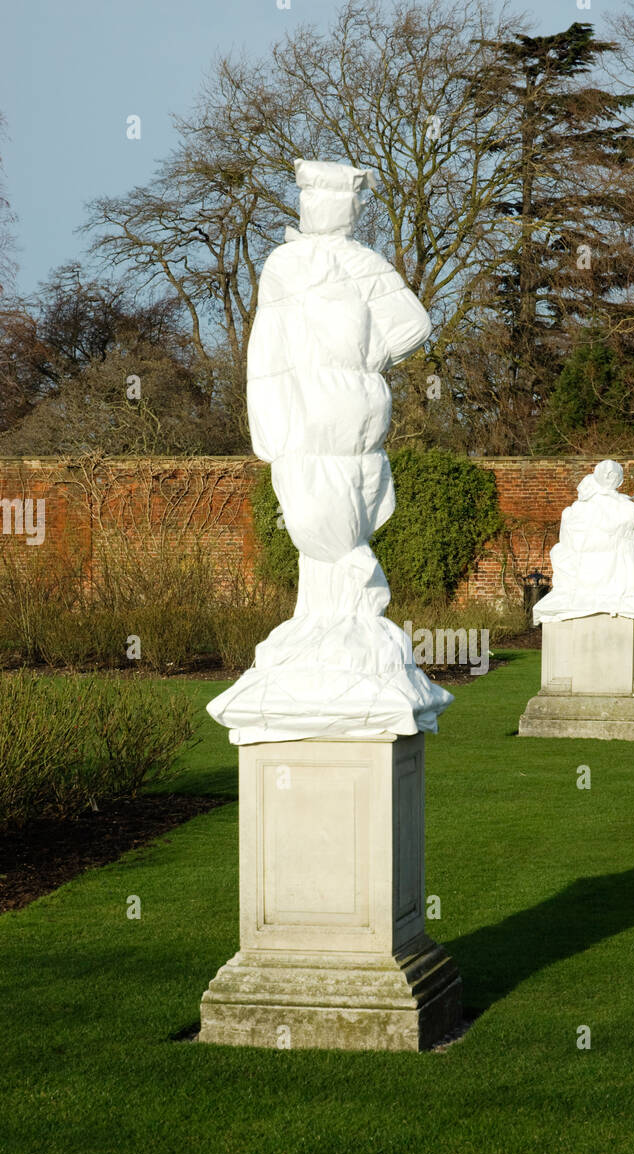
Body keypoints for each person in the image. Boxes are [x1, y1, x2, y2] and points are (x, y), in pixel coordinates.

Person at [207, 159, 452, 743]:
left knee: (332, 510)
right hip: (315, 407)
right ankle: (325, 619)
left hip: (331, 408)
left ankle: (340, 619)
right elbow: (269, 347)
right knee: (318, 512)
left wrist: (361, 357)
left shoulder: (339, 264)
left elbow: (408, 325)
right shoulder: (305, 264)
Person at [533, 458, 634, 624]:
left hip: (593, 571)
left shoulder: (579, 511)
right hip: (612, 571)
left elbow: (569, 541)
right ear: (620, 481)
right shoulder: (631, 511)